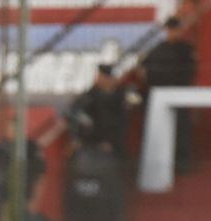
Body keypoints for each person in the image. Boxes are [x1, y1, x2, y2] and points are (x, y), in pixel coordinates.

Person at [140, 17, 197, 172]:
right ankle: (159, 165)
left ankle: (181, 163)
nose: (173, 33)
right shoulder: (158, 49)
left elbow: (190, 71)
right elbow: (146, 70)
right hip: (160, 95)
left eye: (175, 29)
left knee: (182, 129)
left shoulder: (186, 49)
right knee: (159, 131)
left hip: (179, 94)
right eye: (170, 30)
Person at [66, 65, 127, 154]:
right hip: (91, 145)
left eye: (101, 76)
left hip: (114, 146)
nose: (97, 79)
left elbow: (121, 122)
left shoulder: (120, 97)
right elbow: (74, 113)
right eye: (98, 76)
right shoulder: (90, 96)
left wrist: (111, 141)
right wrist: (75, 138)